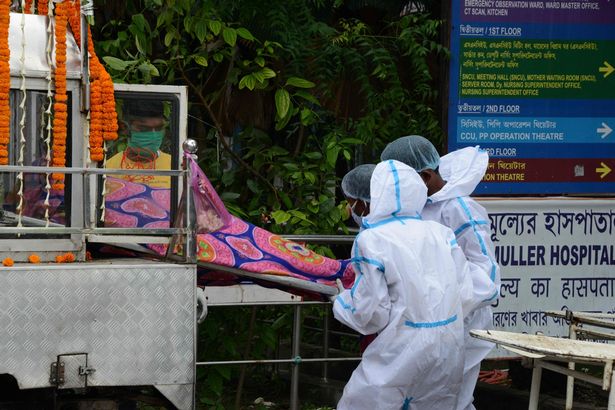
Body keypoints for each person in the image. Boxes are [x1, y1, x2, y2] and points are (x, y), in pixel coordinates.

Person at [332, 159, 479, 410]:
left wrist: (342, 301)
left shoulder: (372, 239)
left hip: (400, 350)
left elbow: (371, 314)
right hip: (448, 345)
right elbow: (465, 294)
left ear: (371, 198)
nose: (351, 208)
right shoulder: (440, 233)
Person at [381, 135, 501, 410]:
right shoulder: (417, 208)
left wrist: (447, 303)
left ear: (424, 176)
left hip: (462, 322)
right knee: (424, 397)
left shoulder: (460, 209)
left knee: (452, 398)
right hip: (426, 322)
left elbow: (487, 275)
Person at [106, 100, 171, 188]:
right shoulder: (109, 169)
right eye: (144, 128)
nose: (154, 135)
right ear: (125, 128)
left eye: (159, 128)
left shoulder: (174, 166)